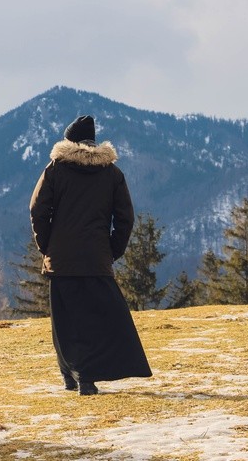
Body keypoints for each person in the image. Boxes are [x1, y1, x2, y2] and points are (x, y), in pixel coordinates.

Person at [29, 115, 152, 395]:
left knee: (65, 321)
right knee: (100, 318)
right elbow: (125, 218)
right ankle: (86, 376)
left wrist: (47, 246)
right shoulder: (112, 174)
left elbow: (37, 210)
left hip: (61, 261)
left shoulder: (55, 170)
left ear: (68, 141)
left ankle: (72, 377)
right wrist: (112, 250)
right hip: (97, 260)